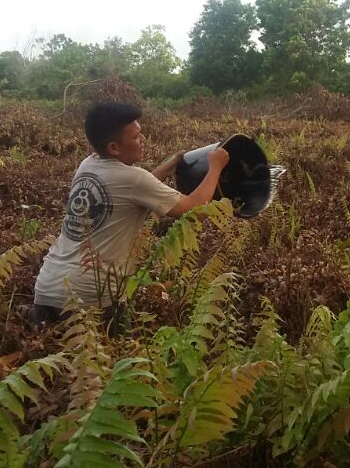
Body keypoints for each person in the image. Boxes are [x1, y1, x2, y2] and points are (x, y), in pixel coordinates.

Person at [32, 101, 229, 330]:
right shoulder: (134, 179)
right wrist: (215, 167)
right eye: (136, 137)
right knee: (114, 364)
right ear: (114, 148)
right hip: (92, 298)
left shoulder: (88, 164)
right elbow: (195, 208)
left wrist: (168, 166)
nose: (143, 140)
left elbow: (135, 190)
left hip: (47, 289)